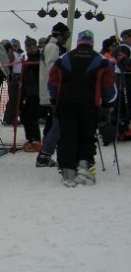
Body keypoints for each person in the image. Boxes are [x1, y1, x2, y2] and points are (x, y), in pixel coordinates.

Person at [48, 30, 116, 187]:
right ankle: (84, 166)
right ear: (92, 42)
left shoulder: (64, 58)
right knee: (87, 134)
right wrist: (107, 103)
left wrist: (53, 100)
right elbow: (109, 86)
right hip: (90, 103)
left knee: (67, 134)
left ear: (78, 41)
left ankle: (67, 170)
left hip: (65, 102)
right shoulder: (101, 60)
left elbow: (52, 81)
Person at [36, 22, 70, 168]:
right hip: (53, 91)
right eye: (66, 35)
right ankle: (44, 155)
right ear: (59, 34)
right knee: (58, 124)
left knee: (54, 123)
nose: (67, 38)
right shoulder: (53, 47)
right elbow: (53, 70)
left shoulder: (51, 47)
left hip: (50, 90)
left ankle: (45, 153)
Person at [20, 36, 43, 151]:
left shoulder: (39, 58)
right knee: (24, 117)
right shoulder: (28, 60)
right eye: (28, 47)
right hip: (28, 92)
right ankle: (30, 139)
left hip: (37, 93)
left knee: (31, 116)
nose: (30, 49)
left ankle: (36, 140)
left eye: (32, 47)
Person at [2, 38, 24, 126]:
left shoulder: (20, 54)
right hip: (14, 78)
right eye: (13, 46)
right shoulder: (12, 54)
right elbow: (9, 64)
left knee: (17, 99)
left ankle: (13, 118)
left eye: (17, 45)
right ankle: (7, 119)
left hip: (20, 78)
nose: (16, 47)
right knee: (13, 99)